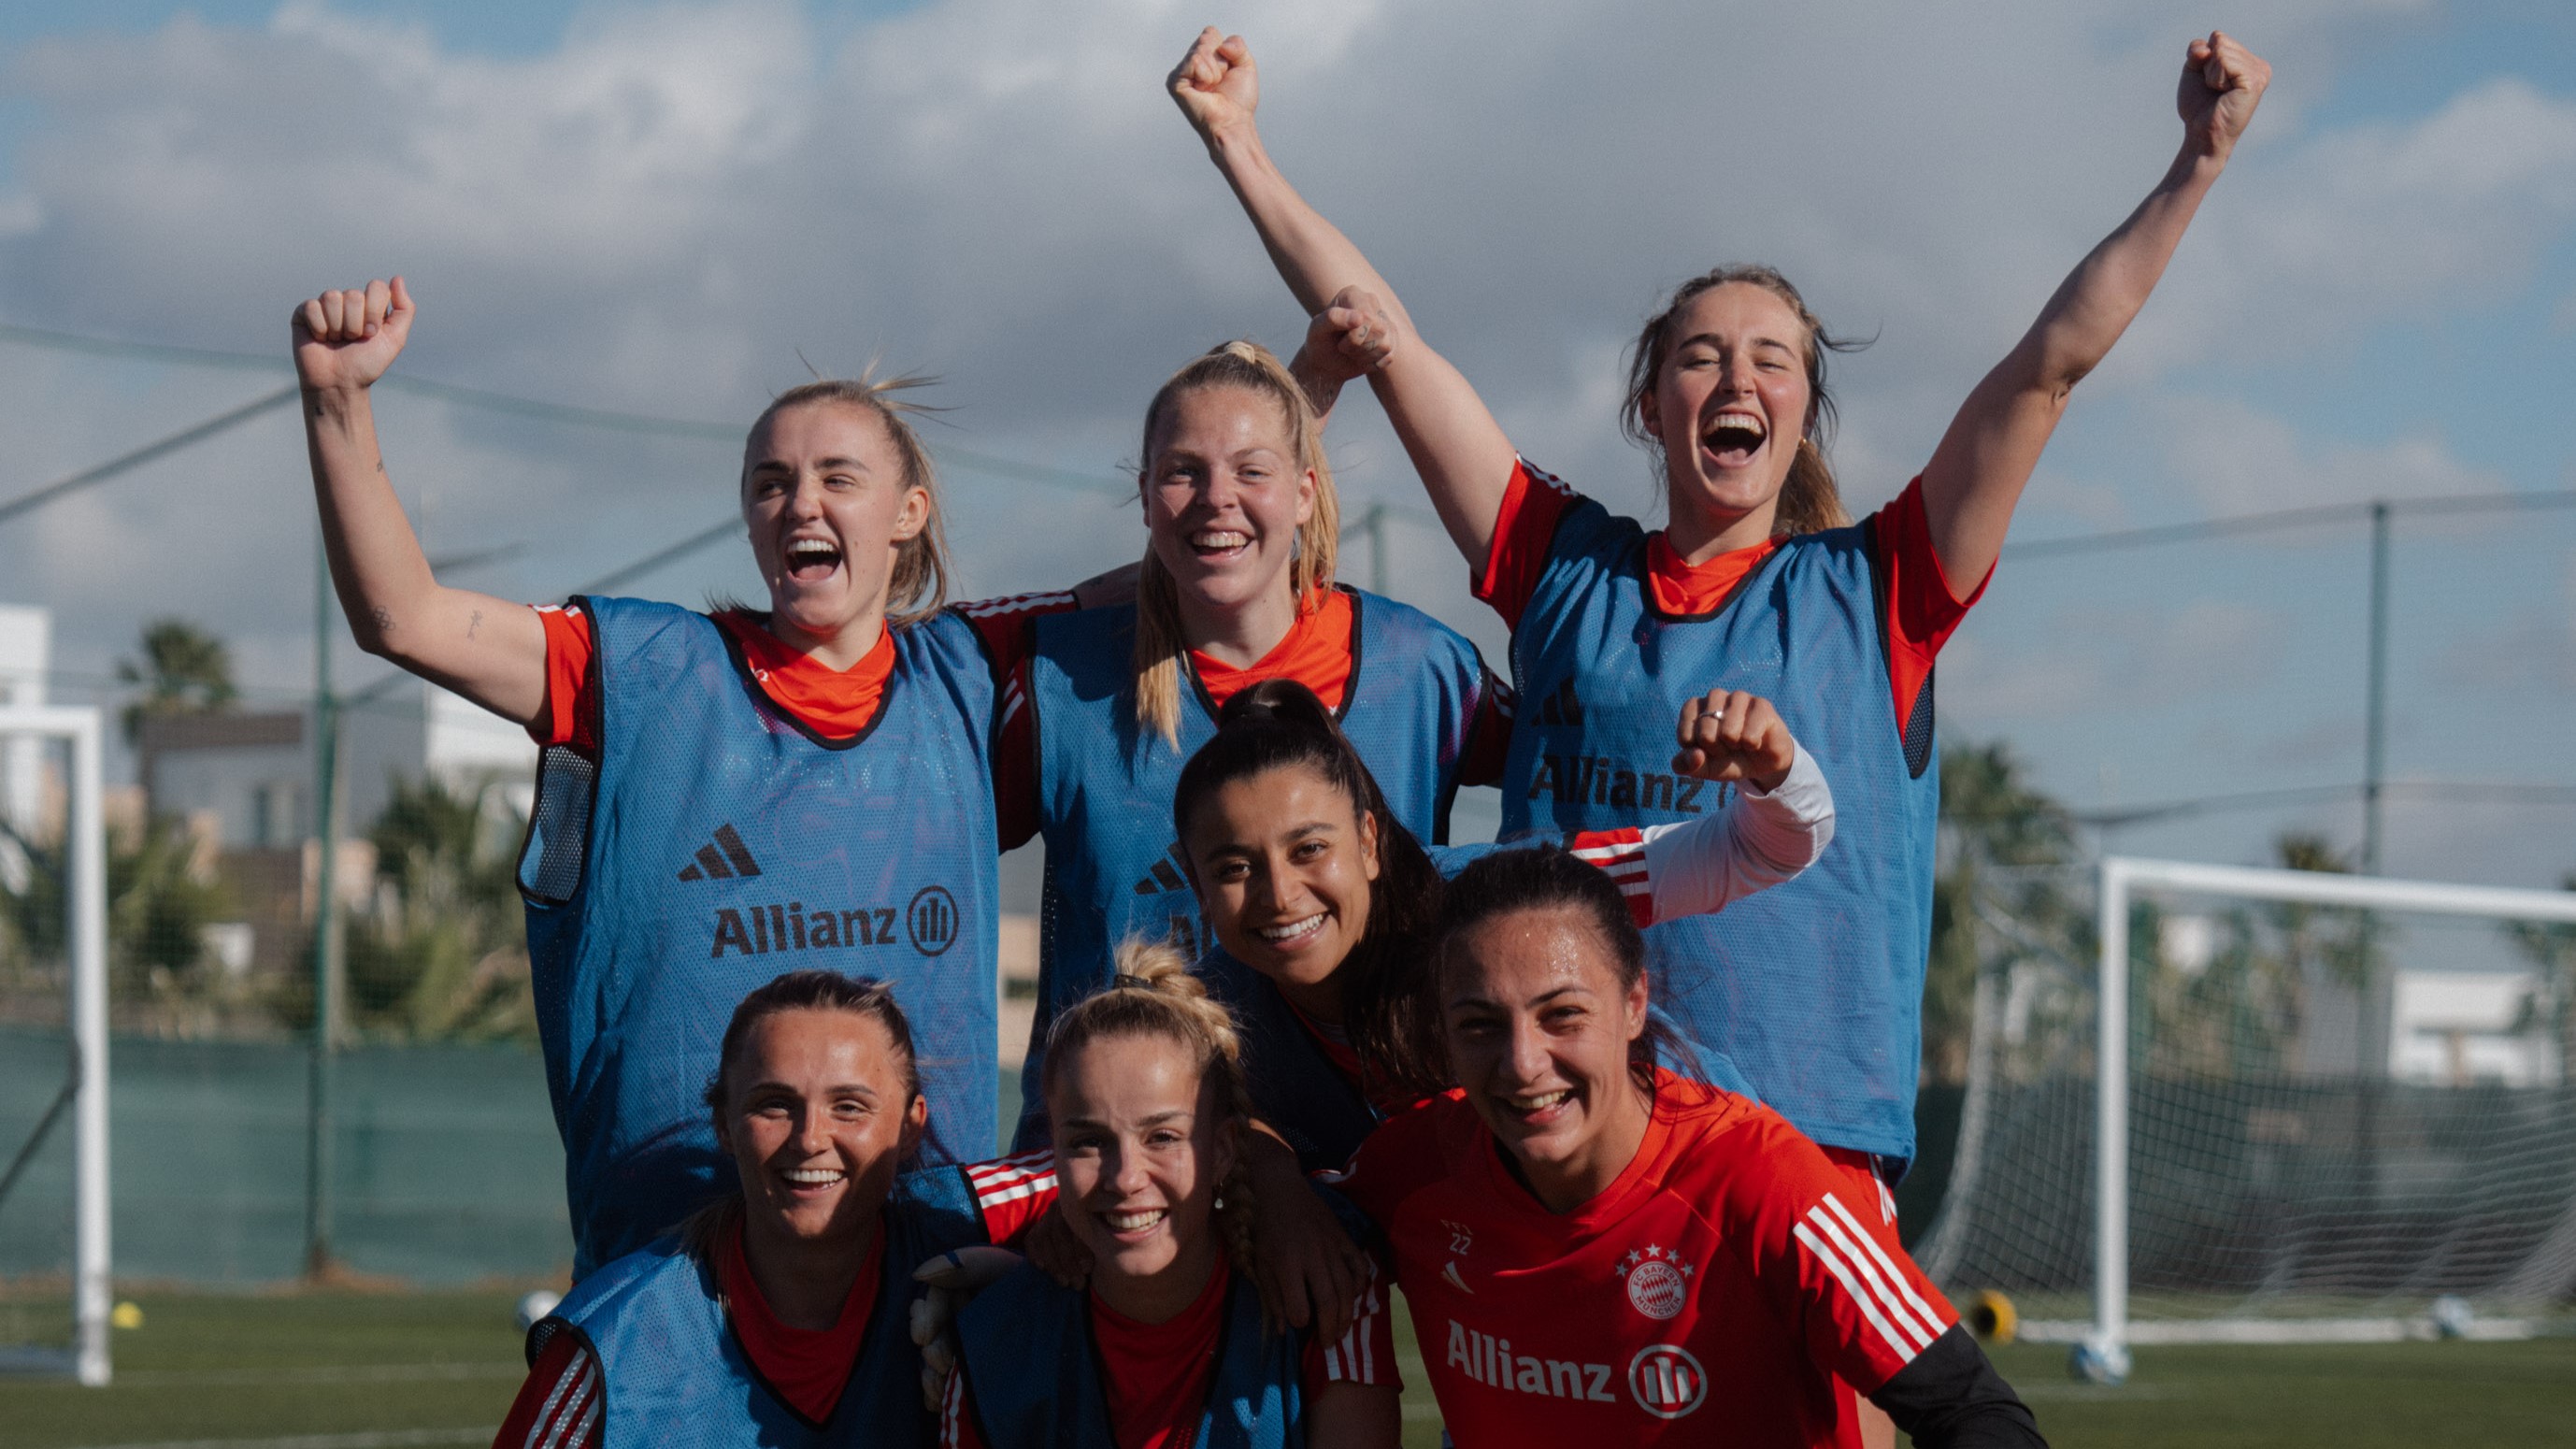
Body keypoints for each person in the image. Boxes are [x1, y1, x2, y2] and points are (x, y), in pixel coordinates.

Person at [1172, 27, 2269, 1189]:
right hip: (1568, 1137)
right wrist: (1239, 143)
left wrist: (2194, 162)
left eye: (1770, 359)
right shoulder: (1563, 567)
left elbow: (2045, 367)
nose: (1735, 379)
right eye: (1699, 357)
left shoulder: (1879, 587)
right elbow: (1387, 339)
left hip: (1800, 1149)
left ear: (1802, 409)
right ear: (1651, 403)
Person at [293, 280, 1009, 1274]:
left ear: (907, 511)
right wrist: (338, 401)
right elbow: (402, 617)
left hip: (925, 1276)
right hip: (676, 1276)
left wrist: (1309, 381)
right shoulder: (636, 673)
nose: (799, 501)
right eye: (769, 481)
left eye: (836, 476)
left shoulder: (981, 681)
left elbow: (1200, 575)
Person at [955, 340, 1507, 1150]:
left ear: (1306, 491)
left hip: (1376, 1167)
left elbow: (1569, 787)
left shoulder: (1420, 666)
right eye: (1183, 473)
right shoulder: (1059, 682)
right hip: (1127, 1165)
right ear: (1144, 499)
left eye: (1252, 471)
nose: (1217, 500)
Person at [1324, 849, 2046, 1447]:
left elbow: (1975, 1412)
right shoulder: (1413, 1170)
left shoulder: (1758, 1177)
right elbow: (1281, 1235)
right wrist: (1277, 1178)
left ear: (1634, 1002)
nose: (1522, 1063)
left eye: (1563, 1015)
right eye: (1479, 1025)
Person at [1174, 678, 1832, 1177]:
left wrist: (1777, 770)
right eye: (1234, 867)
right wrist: (1272, 1179)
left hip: (1725, 1176)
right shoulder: (1205, 1019)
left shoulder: (1503, 901)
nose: (1281, 895)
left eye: (1310, 849)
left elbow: (1763, 849)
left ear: (1369, 842)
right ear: (1196, 883)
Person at [492, 971, 1058, 1448]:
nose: (810, 1138)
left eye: (850, 1106)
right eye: (774, 1105)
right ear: (725, 1125)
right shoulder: (615, 1346)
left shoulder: (962, 1219)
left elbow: (1118, 1179)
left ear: (912, 1126)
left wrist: (1058, 1250)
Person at [938, 942, 1402, 1449]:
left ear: (1223, 1149)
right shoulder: (995, 1344)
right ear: (1053, 1150)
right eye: (1088, 1141)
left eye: (1162, 1137)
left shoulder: (1321, 1284)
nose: (1125, 1178)